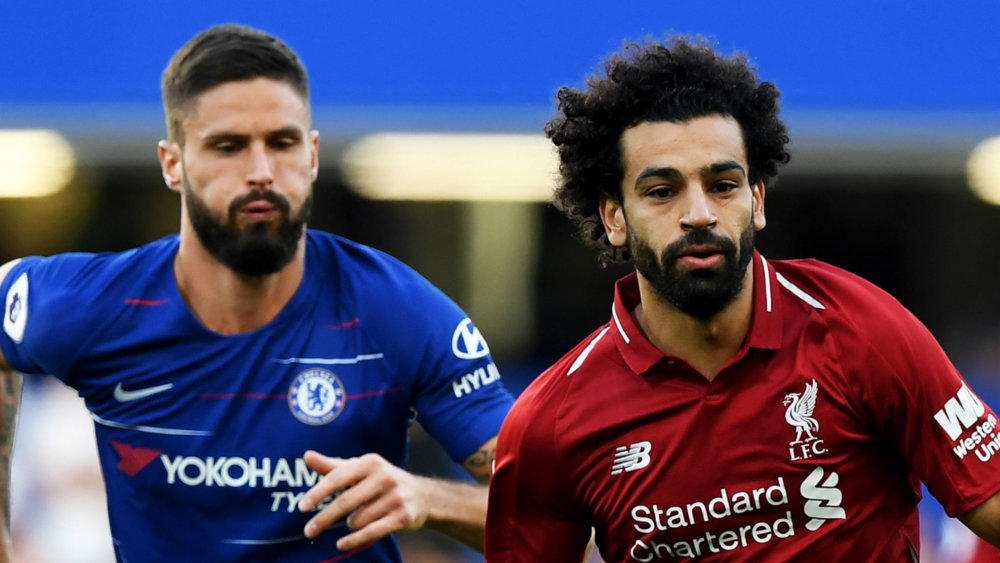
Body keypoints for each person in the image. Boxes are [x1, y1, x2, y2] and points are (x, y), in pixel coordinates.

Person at [0, 23, 513, 562]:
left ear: (312, 155)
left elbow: (555, 514)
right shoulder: (101, 306)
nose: (262, 172)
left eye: (282, 143)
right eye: (228, 147)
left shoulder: (397, 311)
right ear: (172, 164)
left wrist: (430, 498)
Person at [484, 36, 1000, 561]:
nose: (699, 214)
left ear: (757, 200)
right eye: (662, 191)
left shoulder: (861, 330)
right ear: (614, 216)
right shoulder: (551, 422)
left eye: (723, 185)